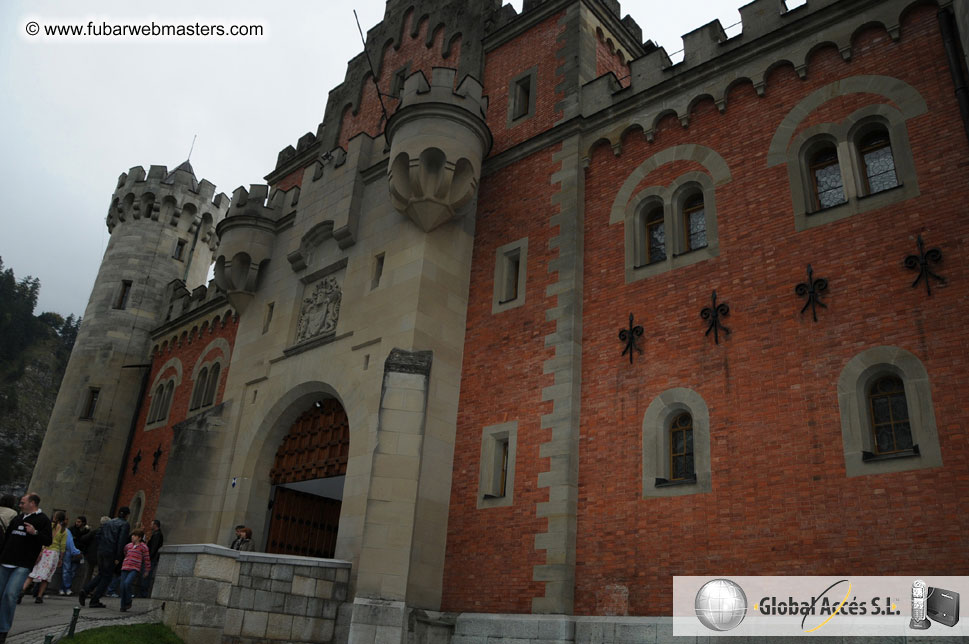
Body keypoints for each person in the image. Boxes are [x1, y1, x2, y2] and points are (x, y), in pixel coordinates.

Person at [0, 493, 53, 644]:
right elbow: (7, 538)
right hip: (5, 561)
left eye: (23, 502)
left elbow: (48, 540)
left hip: (22, 564)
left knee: (10, 595)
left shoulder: (42, 520)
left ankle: (3, 630)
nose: (20, 505)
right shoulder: (17, 518)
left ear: (32, 503)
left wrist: (34, 533)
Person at [79, 507, 129, 609]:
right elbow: (121, 541)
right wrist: (118, 557)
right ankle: (95, 599)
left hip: (101, 550)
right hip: (111, 553)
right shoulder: (124, 524)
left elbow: (99, 535)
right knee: (107, 577)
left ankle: (86, 590)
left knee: (102, 574)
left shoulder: (108, 523)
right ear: (127, 515)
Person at [21, 511, 73, 603]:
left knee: (33, 573)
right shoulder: (64, 530)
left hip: (43, 550)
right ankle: (39, 596)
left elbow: (41, 537)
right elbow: (63, 546)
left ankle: (21, 591)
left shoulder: (48, 525)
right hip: (53, 554)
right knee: (46, 577)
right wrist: (61, 558)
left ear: (54, 517)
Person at [118, 530, 150, 612]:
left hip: (134, 568)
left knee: (127, 583)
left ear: (139, 538)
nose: (132, 537)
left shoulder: (143, 547)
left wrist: (147, 570)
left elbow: (147, 559)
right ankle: (123, 606)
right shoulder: (128, 546)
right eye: (132, 535)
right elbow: (125, 552)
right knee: (122, 587)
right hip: (125, 567)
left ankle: (128, 600)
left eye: (135, 536)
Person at [66, 517, 92, 595]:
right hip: (70, 551)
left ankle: (68, 587)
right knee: (67, 570)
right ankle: (65, 587)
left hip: (79, 552)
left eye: (79, 522)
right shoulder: (72, 529)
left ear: (83, 523)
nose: (77, 523)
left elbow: (84, 541)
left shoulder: (86, 532)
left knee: (73, 571)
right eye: (77, 521)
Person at [143, 519, 163, 598]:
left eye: (152, 524)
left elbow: (154, 548)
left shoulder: (157, 534)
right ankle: (143, 593)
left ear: (155, 525)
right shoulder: (156, 534)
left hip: (152, 558)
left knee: (146, 575)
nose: (150, 526)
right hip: (152, 558)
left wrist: (149, 557)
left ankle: (144, 593)